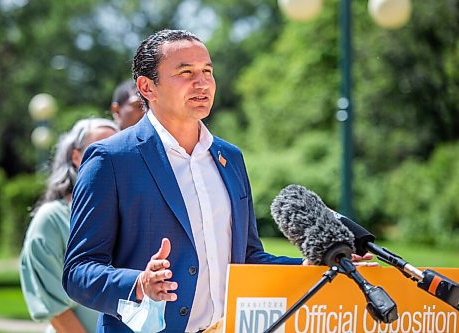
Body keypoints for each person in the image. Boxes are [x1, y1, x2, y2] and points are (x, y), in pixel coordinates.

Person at [62, 29, 373, 333]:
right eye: (185, 72)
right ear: (147, 87)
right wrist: (138, 284)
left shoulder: (229, 158)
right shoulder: (111, 159)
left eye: (207, 71)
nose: (202, 83)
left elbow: (247, 259)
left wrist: (307, 268)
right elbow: (78, 272)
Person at [20, 118, 118, 333]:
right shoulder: (51, 219)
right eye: (100, 149)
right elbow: (55, 308)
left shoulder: (127, 214)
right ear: (75, 157)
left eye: (119, 149)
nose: (113, 158)